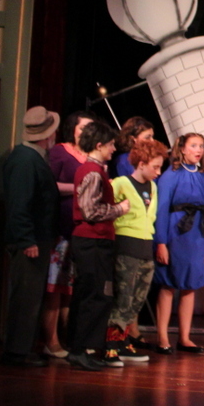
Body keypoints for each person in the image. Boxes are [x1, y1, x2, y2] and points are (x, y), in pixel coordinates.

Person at [0, 106, 62, 367]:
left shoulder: (32, 157)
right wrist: (27, 240)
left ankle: (22, 349)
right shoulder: (26, 160)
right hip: (30, 241)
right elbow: (19, 204)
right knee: (25, 298)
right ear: (48, 135)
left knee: (31, 296)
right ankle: (17, 352)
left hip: (37, 238)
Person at [67, 121, 130, 370]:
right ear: (99, 145)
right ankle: (79, 349)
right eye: (111, 144)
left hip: (97, 240)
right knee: (94, 295)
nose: (114, 149)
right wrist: (119, 209)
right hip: (92, 240)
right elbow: (90, 210)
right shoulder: (92, 172)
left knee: (95, 294)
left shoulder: (94, 170)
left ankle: (84, 348)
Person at [154, 133, 204, 355]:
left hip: (199, 235)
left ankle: (184, 337)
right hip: (176, 234)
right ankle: (163, 337)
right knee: (169, 284)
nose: (198, 150)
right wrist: (161, 242)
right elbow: (161, 210)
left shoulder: (203, 176)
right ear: (182, 148)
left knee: (191, 284)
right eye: (193, 145)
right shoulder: (170, 175)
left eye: (201, 146)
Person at [105, 138, 167, 364]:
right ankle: (111, 346)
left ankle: (123, 342)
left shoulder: (152, 187)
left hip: (145, 246)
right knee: (123, 297)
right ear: (141, 164)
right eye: (155, 167)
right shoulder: (121, 183)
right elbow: (105, 209)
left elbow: (150, 218)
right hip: (126, 245)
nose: (158, 172)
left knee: (137, 299)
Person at [44, 110, 95, 358]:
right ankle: (50, 341)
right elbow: (48, 184)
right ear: (72, 129)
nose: (86, 132)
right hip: (61, 228)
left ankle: (68, 338)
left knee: (70, 289)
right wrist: (79, 188)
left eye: (90, 128)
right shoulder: (60, 152)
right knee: (54, 288)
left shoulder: (92, 156)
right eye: (82, 127)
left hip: (82, 230)